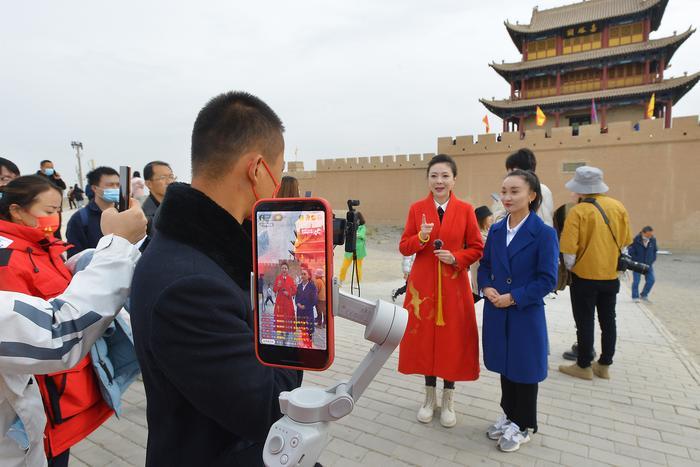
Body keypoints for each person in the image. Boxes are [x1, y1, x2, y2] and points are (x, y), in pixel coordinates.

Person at [129, 91, 302, 466]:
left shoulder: (195, 249)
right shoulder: (190, 287)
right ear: (257, 170)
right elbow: (268, 406)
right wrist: (294, 316)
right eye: (279, 171)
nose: (277, 186)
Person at [0, 175, 145, 466]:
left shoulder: (42, 245)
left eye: (57, 210)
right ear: (16, 210)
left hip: (49, 402)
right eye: (48, 210)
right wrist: (117, 246)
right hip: (43, 398)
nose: (54, 217)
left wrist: (88, 261)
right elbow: (54, 331)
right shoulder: (8, 258)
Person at [398, 154, 484, 428]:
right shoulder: (417, 209)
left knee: (452, 340)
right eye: (434, 175)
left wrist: (456, 257)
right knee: (425, 340)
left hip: (454, 285)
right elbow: (404, 246)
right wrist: (421, 237)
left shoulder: (466, 210)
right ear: (428, 179)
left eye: (445, 176)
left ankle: (448, 400)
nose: (439, 181)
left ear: (454, 179)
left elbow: (477, 247)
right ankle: (428, 398)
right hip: (422, 287)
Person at [478, 170, 558, 453]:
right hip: (497, 309)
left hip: (524, 312)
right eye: (504, 191)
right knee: (505, 365)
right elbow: (485, 265)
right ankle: (509, 414)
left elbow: (547, 279)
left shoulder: (544, 234)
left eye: (515, 191)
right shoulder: (497, 230)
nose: (507, 197)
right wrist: (486, 287)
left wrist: (514, 297)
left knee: (524, 369)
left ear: (532, 195)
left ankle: (524, 424)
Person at [559, 166, 632, 381]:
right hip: (611, 276)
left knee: (585, 321)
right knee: (609, 321)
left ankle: (583, 365)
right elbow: (625, 243)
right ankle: (604, 364)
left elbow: (569, 252)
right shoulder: (618, 206)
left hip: (584, 277)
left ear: (579, 188)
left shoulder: (578, 211)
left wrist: (572, 269)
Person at [66, 166, 120, 257]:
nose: (115, 188)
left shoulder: (126, 213)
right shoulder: (80, 219)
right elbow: (76, 257)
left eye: (118, 185)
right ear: (95, 188)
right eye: (110, 185)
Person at [492, 148, 553, 227]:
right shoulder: (543, 189)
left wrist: (498, 207)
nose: (509, 177)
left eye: (512, 172)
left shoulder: (539, 189)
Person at [141, 161, 176, 236]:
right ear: (149, 184)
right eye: (162, 178)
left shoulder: (177, 207)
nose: (169, 182)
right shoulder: (145, 217)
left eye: (171, 177)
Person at [36, 160, 67, 240]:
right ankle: (48, 244)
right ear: (41, 167)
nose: (50, 169)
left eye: (52, 167)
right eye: (48, 167)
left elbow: (63, 187)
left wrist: (58, 179)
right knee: (46, 230)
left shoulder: (53, 177)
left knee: (57, 227)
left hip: (56, 208)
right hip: (43, 209)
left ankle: (57, 243)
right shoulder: (36, 178)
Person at [470, 205, 494, 302]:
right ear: (482, 219)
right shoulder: (479, 236)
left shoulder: (488, 232)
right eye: (489, 217)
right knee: (479, 293)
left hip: (485, 271)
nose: (491, 218)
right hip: (479, 269)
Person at [629, 226, 657, 303]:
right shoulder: (635, 240)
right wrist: (635, 259)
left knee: (651, 280)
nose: (650, 236)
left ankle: (644, 295)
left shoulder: (653, 240)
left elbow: (655, 251)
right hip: (638, 264)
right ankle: (635, 297)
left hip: (648, 264)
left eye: (651, 234)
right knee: (636, 281)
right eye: (648, 234)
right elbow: (630, 251)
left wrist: (652, 260)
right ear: (643, 233)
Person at [339, 211, 367, 285]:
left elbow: (361, 235)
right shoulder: (349, 226)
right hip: (349, 250)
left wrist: (354, 233)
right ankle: (341, 280)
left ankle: (358, 283)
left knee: (358, 267)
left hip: (359, 251)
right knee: (344, 267)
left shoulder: (362, 227)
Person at [295, 268, 318, 347]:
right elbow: (296, 297)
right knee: (302, 330)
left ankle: (309, 346)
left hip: (308, 312)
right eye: (302, 274)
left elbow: (314, 300)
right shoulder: (299, 286)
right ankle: (303, 346)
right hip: (300, 312)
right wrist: (298, 304)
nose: (303, 275)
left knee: (308, 331)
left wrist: (305, 306)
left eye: (305, 274)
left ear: (309, 276)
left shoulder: (312, 286)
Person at [273, 262, 297, 338]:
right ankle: (281, 330)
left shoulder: (291, 279)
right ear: (281, 269)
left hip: (288, 301)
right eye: (283, 268)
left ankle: (287, 330)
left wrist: (289, 293)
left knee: (288, 316)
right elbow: (274, 289)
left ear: (288, 270)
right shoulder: (278, 278)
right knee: (280, 316)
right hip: (280, 301)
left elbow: (295, 291)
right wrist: (278, 286)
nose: (284, 270)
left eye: (285, 268)